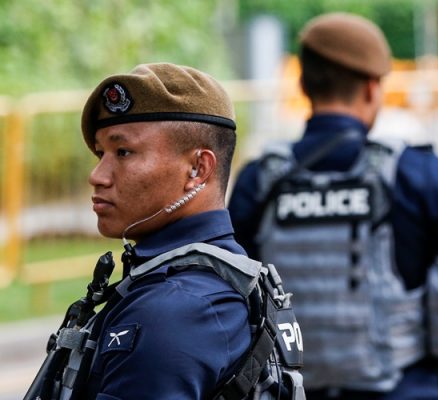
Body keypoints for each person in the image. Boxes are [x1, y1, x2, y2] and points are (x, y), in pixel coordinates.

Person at [228, 12, 438, 400]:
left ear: (303, 84)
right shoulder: (420, 175)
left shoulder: (259, 180)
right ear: (370, 89)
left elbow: (231, 293)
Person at [24, 63, 304, 400]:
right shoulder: (206, 278)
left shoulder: (176, 311)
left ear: (198, 168)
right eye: (101, 154)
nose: (97, 175)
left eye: (123, 152)